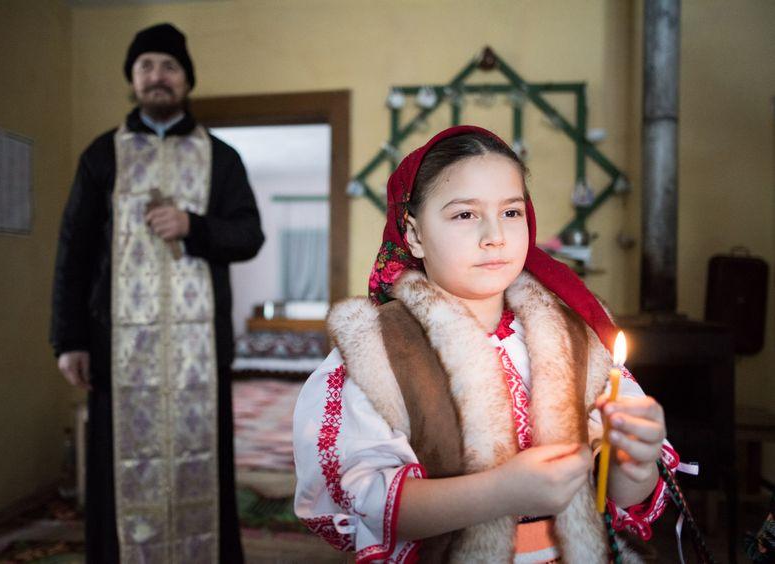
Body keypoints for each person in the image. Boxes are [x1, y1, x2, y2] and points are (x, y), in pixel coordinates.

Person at [293, 126, 678, 562]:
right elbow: (371, 501)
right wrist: (502, 490)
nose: (494, 235)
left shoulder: (574, 339)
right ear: (415, 235)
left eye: (511, 213)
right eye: (465, 215)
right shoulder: (379, 351)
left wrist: (637, 461)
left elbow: (623, 495)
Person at [50, 23, 263, 563]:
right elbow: (72, 251)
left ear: (187, 79)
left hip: (200, 356)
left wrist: (194, 225)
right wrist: (68, 339)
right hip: (115, 349)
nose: (157, 76)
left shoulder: (222, 158)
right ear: (132, 79)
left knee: (201, 462)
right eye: (146, 66)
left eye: (169, 66)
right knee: (118, 466)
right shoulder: (102, 156)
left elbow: (248, 235)